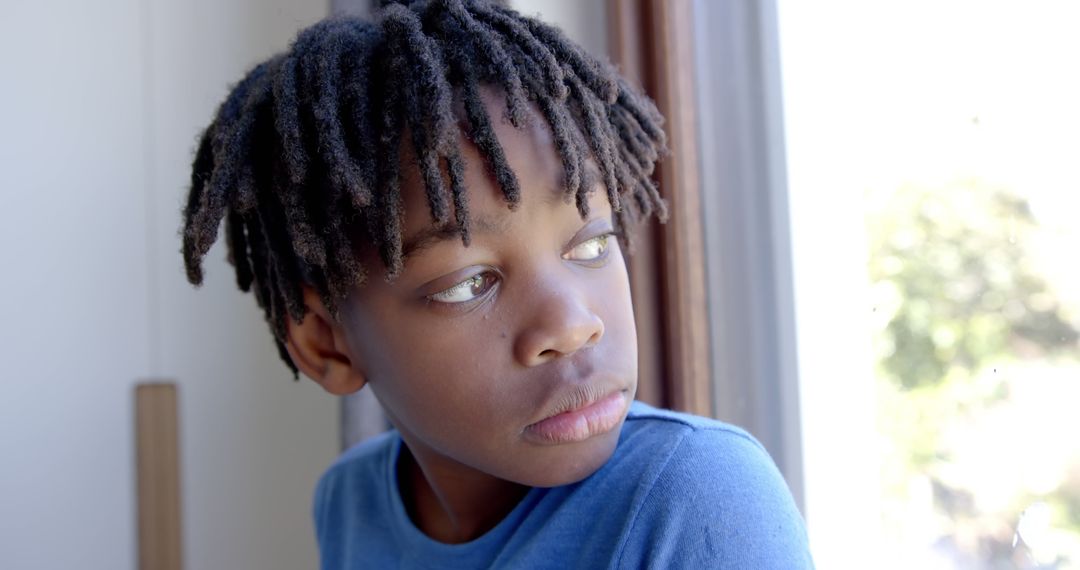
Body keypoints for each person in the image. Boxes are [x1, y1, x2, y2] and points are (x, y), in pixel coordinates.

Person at [180, 0, 814, 567]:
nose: (572, 324)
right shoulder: (349, 505)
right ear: (327, 345)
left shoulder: (695, 496)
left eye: (592, 243)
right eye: (468, 284)